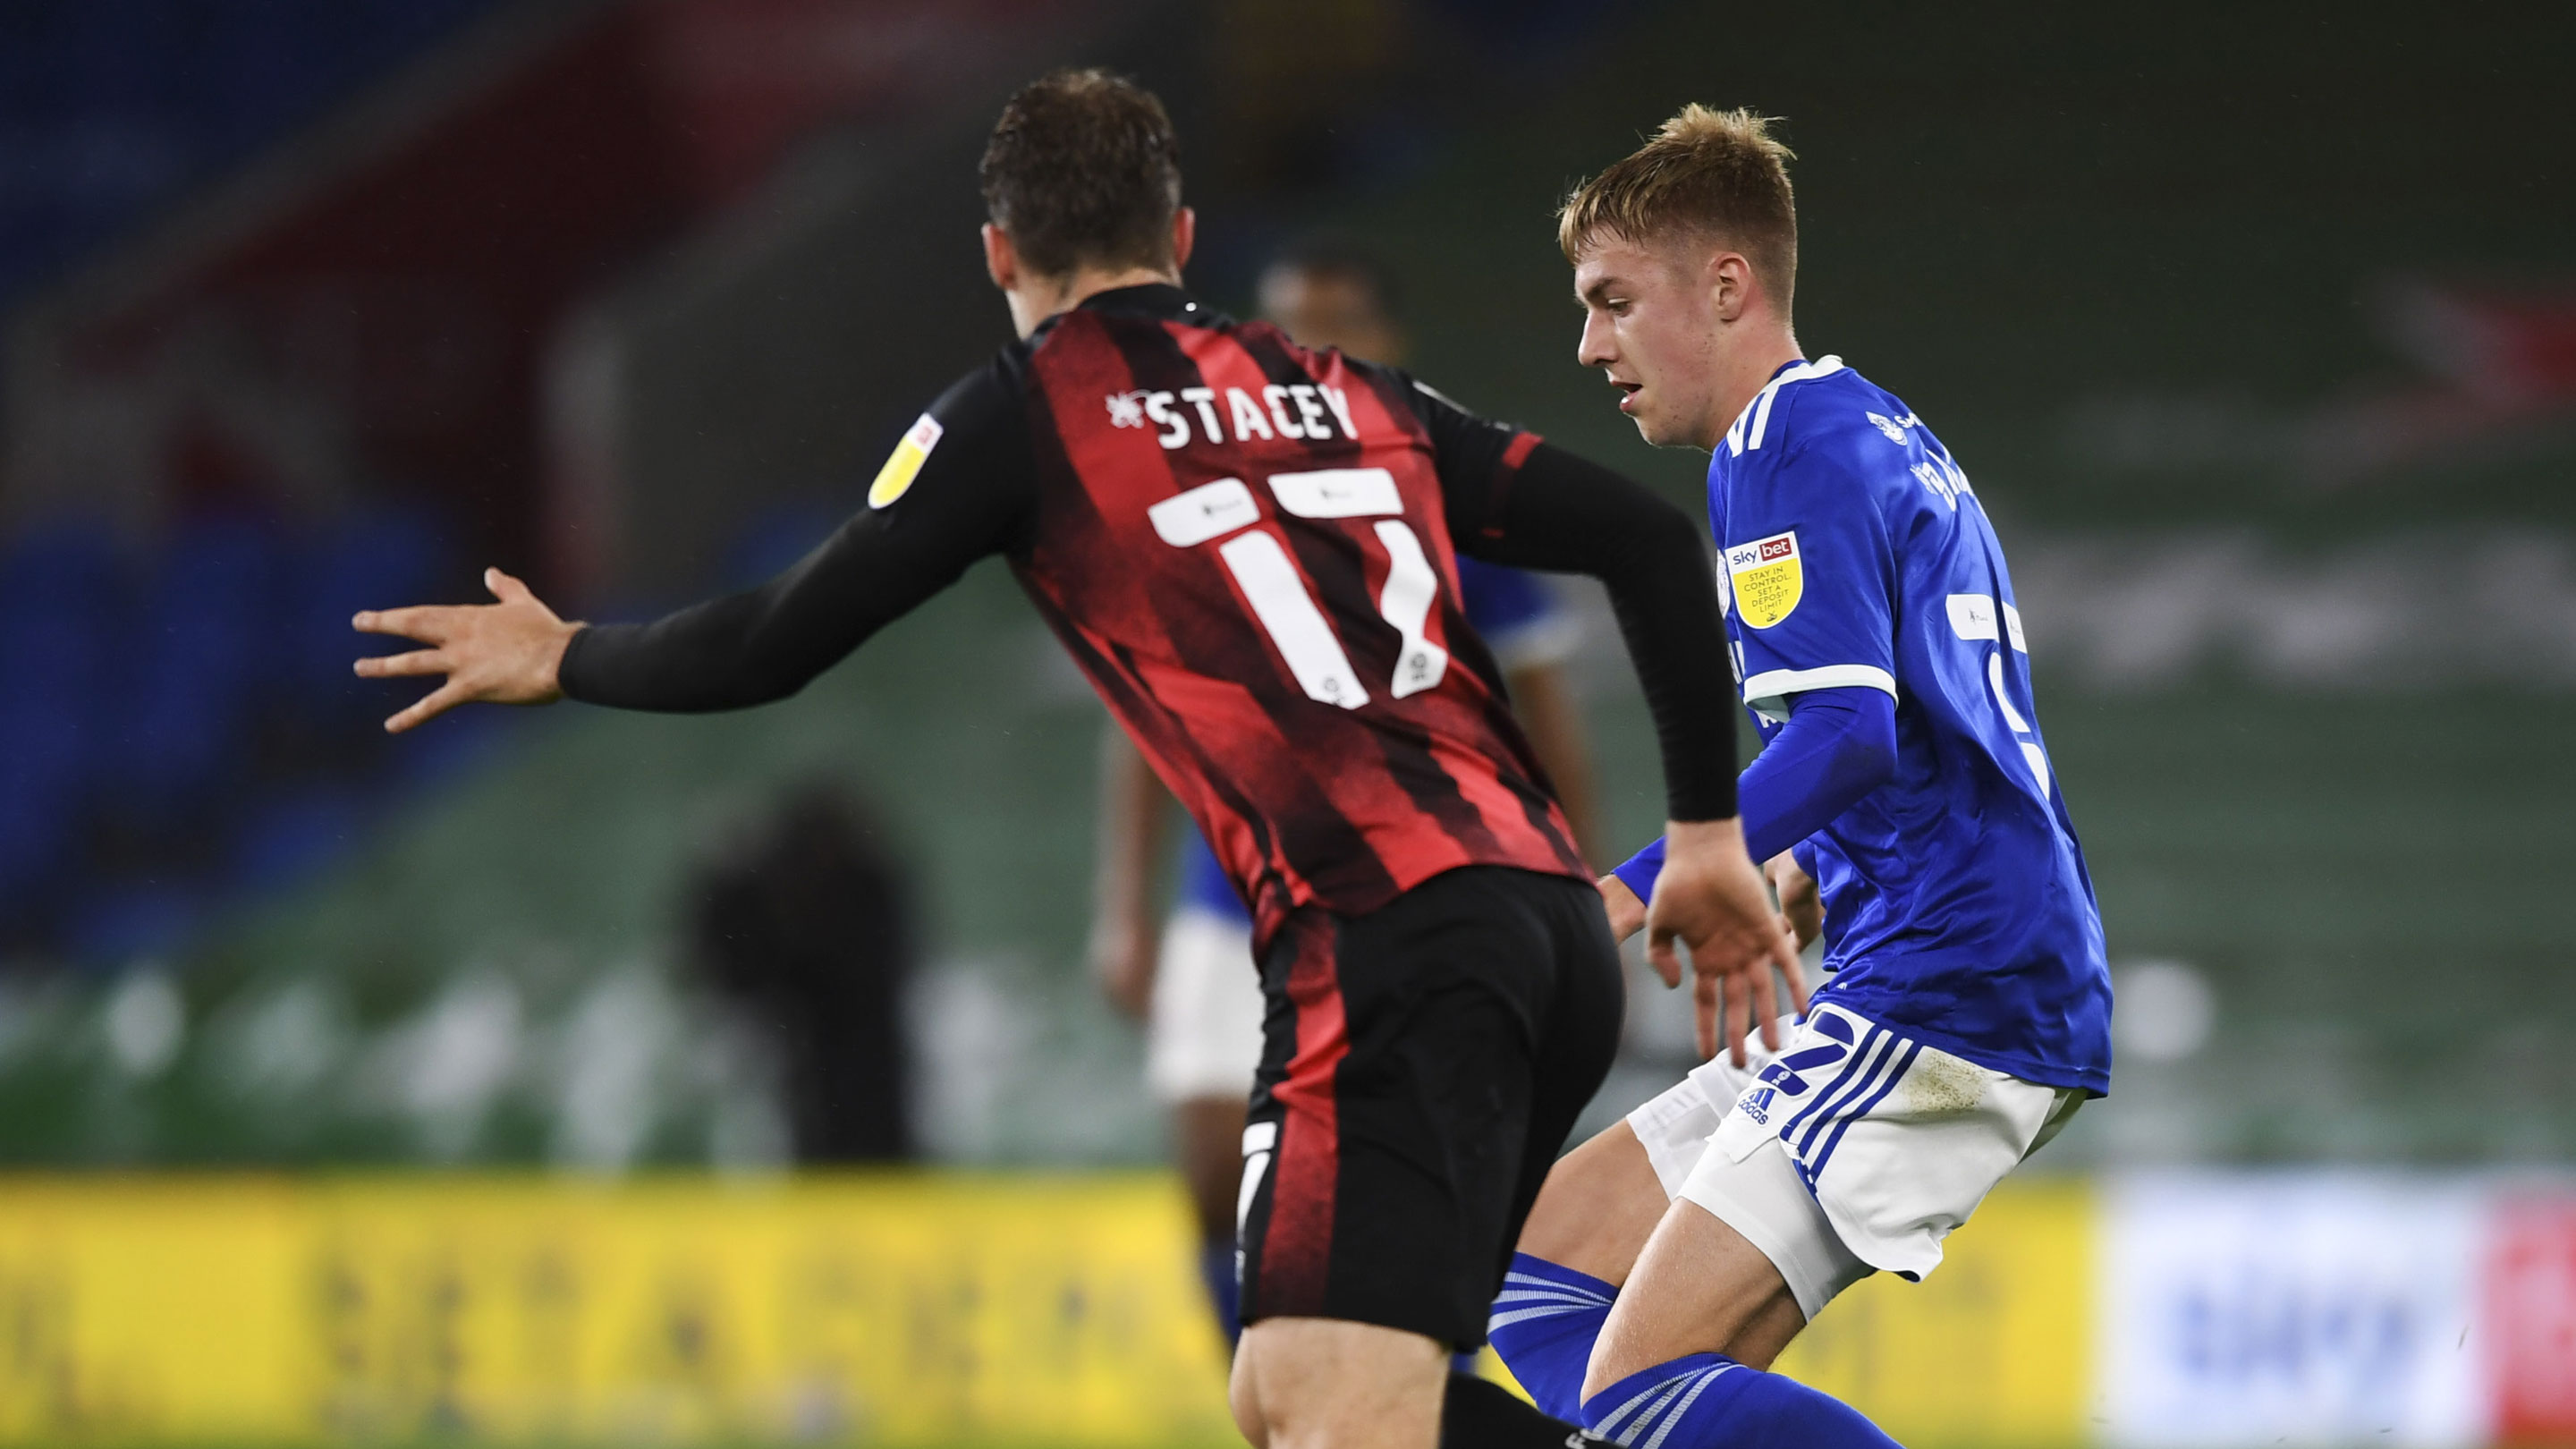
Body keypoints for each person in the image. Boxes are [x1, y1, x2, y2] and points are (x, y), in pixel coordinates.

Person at [352, 71, 1801, 1449]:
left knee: (1326, 1401)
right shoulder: (1337, 384)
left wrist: (569, 654)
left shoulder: (1031, 407)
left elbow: (775, 641)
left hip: (1385, 941)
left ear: (999, 253)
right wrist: (1704, 834)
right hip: (1544, 934)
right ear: (1178, 238)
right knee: (1301, 1389)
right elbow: (1647, 539)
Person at [1481, 106, 2113, 1447]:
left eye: (1612, 302)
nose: (1591, 344)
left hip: (1950, 983)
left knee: (1635, 1393)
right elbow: (1915, 719)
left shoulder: (1781, 448)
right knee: (1542, 1281)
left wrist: (1621, 894)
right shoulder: (1865, 426)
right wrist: (1807, 865)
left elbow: (1847, 736)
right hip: (1934, 953)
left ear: (1726, 285)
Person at [1088, 234, 1602, 1350]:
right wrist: (1122, 911)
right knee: (1216, 1179)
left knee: (1409, 1191)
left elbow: (1549, 726)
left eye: (1337, 326)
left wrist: (1577, 903)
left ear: (1387, 341)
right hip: (1238, 899)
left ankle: (1417, 1401)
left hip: (1422, 895)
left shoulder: (1462, 488)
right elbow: (1142, 716)